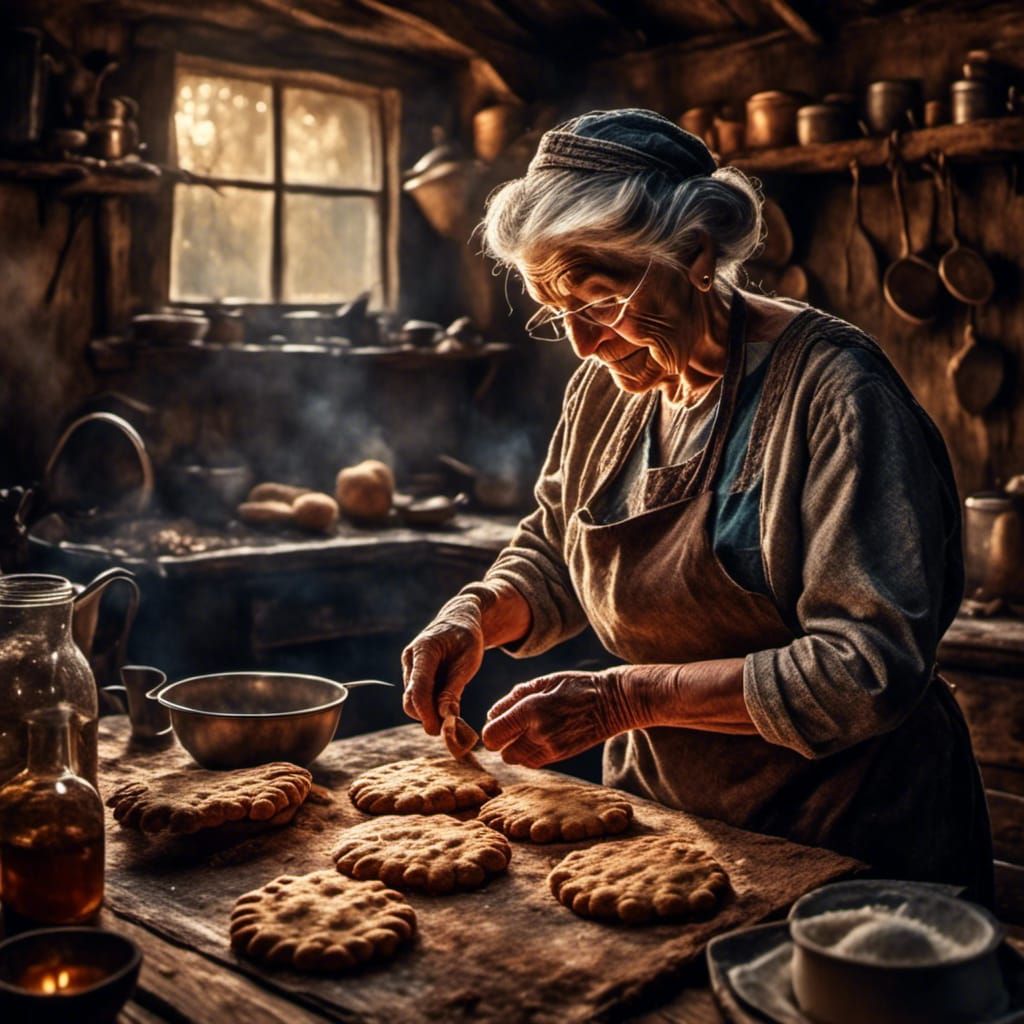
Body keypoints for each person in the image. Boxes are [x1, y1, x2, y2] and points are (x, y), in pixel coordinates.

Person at [401, 108, 993, 903]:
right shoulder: (606, 391)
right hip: (673, 819)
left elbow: (865, 669)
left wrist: (623, 698)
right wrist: (474, 614)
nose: (581, 343)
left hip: (851, 831)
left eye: (600, 301)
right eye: (555, 310)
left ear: (694, 254)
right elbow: (556, 551)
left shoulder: (839, 395)